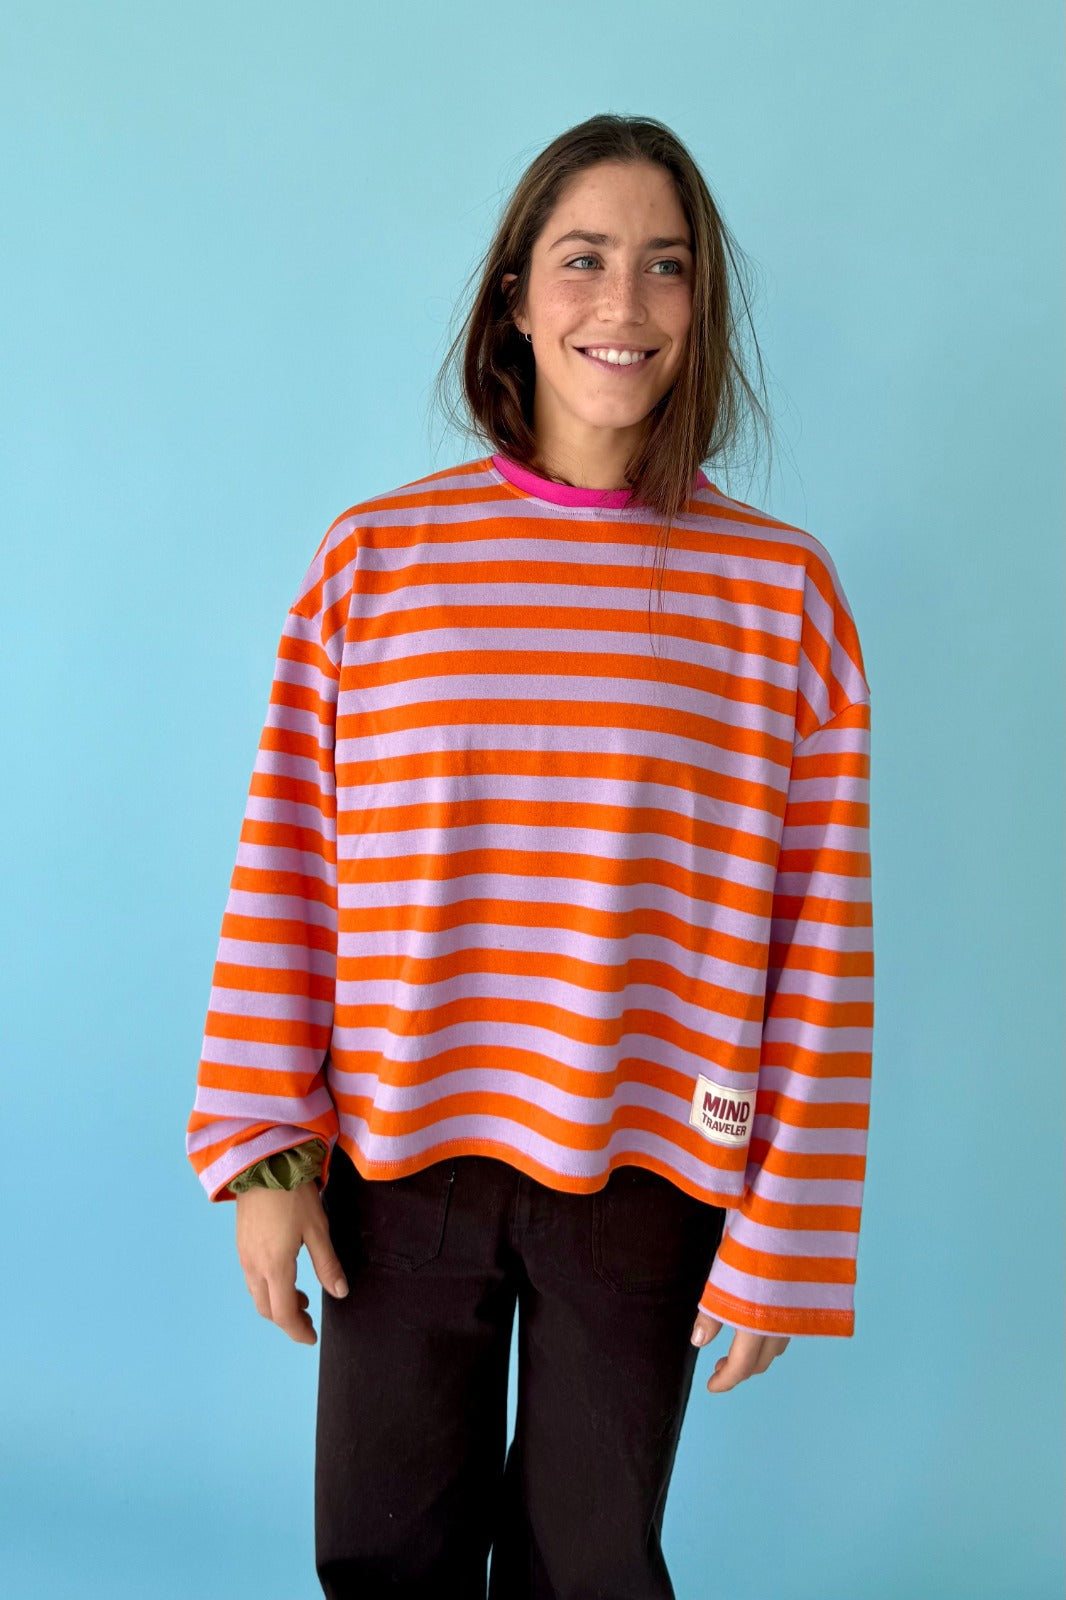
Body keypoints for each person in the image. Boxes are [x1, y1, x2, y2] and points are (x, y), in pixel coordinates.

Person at [186, 112, 874, 1599]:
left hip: (648, 1165)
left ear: (702, 308)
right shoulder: (377, 563)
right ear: (513, 293)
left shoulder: (781, 598)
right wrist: (269, 1153)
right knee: (385, 1559)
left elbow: (819, 936)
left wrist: (787, 1230)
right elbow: (289, 868)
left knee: (591, 1570)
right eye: (583, 259)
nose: (624, 303)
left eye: (666, 266)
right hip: (400, 1154)